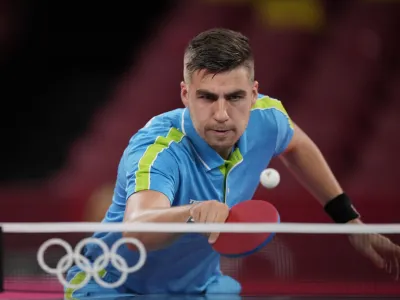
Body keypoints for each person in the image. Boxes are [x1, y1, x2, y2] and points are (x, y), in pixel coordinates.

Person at [65, 28, 400, 298]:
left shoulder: (266, 118)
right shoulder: (157, 149)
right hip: (113, 284)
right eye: (207, 97)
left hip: (196, 287)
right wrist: (192, 212)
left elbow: (297, 144)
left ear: (253, 94)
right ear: (185, 95)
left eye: (235, 97)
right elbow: (138, 228)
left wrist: (349, 222)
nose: (222, 114)